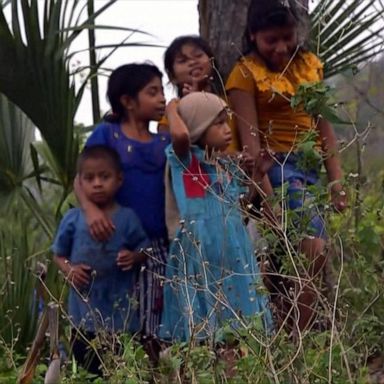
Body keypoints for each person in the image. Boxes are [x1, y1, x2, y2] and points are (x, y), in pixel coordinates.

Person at [226, 0, 347, 333]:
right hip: (276, 169)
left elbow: (323, 126)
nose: (281, 48)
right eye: (271, 40)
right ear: (252, 36)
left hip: (310, 169)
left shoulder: (309, 65)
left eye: (287, 37)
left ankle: (282, 332)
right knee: (314, 249)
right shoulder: (245, 74)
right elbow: (250, 144)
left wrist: (336, 180)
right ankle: (300, 337)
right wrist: (270, 202)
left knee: (286, 263)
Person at [159, 92, 272, 344]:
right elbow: (180, 135)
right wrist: (172, 106)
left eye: (226, 121)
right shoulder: (184, 162)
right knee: (208, 328)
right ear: (198, 129)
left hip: (232, 253)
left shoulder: (226, 167)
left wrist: (256, 176)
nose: (227, 129)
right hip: (201, 255)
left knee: (239, 325)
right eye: (218, 123)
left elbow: (238, 212)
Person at [76, 63, 169, 348]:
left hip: (157, 248)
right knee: (115, 325)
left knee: (157, 327)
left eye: (162, 90)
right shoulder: (107, 135)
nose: (162, 98)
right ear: (128, 101)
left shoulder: (164, 140)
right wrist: (91, 212)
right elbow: (81, 178)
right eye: (152, 92)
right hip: (114, 245)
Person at [52, 145, 150, 374]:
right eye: (89, 178)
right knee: (89, 373)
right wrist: (70, 270)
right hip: (83, 320)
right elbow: (58, 254)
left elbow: (147, 248)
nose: (97, 183)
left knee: (123, 372)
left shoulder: (127, 218)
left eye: (104, 177)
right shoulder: (73, 219)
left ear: (118, 179)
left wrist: (134, 257)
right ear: (80, 183)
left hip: (123, 320)